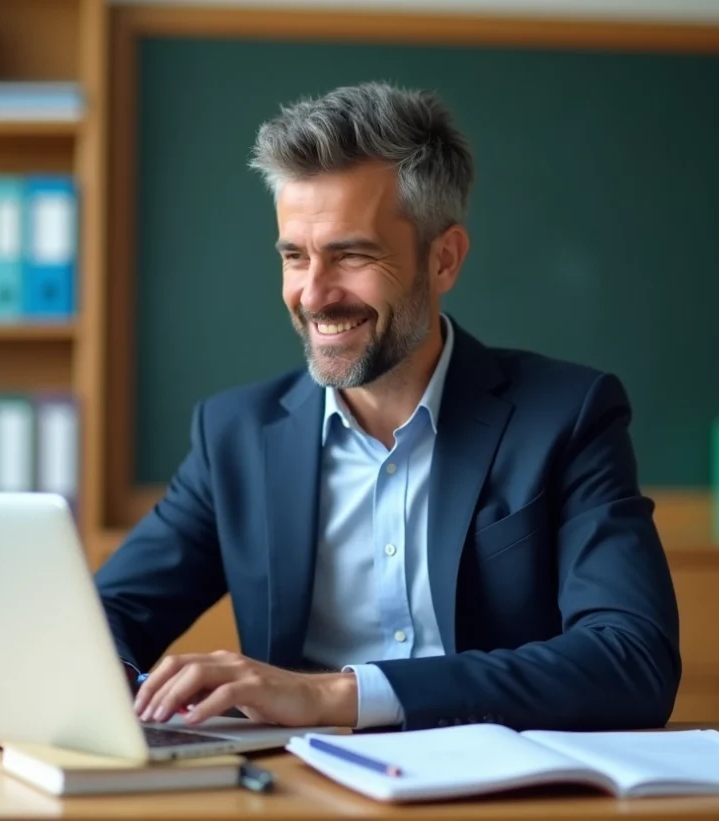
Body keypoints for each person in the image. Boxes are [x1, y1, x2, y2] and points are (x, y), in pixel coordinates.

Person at [94, 81, 681, 733]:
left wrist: (332, 695)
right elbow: (100, 614)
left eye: (351, 254)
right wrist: (120, 685)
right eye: (295, 256)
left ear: (444, 259)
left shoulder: (567, 417)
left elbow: (633, 659)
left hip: (497, 789)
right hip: (301, 793)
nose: (314, 294)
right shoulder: (236, 435)